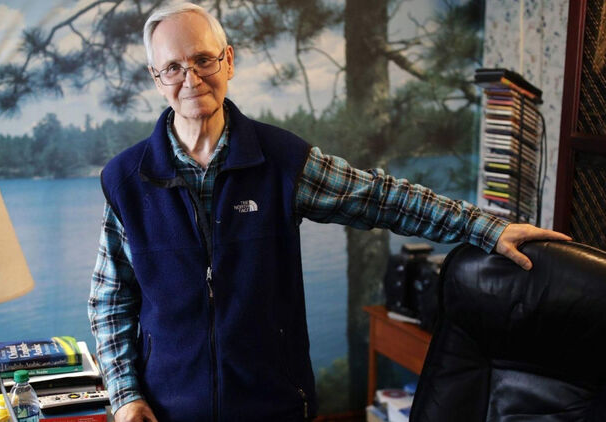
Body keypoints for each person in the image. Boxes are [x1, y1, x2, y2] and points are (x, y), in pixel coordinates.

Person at [87, 3, 571, 421]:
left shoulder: (282, 162)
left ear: (228, 61)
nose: (190, 79)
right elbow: (110, 300)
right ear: (156, 78)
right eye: (173, 67)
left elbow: (381, 198)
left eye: (202, 59)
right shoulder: (127, 181)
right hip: (167, 412)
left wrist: (486, 227)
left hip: (273, 406)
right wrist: (126, 395)